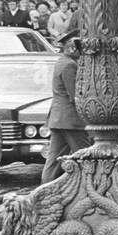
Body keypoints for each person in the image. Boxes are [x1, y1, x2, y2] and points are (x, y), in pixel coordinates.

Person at [41, 30, 91, 185]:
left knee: (54, 160)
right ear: (71, 48)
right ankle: (90, 188)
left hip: (59, 119)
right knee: (86, 156)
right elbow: (75, 95)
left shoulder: (61, 61)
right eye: (78, 47)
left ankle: (44, 189)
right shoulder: (69, 65)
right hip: (70, 120)